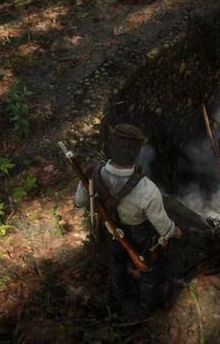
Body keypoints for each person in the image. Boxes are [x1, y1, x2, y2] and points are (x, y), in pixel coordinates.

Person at [74, 123, 182, 312]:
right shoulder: (148, 190)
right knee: (149, 267)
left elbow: (79, 202)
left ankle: (119, 297)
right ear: (137, 152)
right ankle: (146, 307)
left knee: (116, 261)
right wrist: (176, 231)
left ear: (110, 146)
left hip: (110, 230)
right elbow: (164, 228)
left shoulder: (92, 174)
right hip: (140, 234)